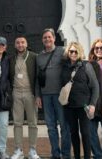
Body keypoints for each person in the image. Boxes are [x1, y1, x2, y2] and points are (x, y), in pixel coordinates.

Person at [35, 28, 71, 159]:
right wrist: (38, 95)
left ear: (54, 38)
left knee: (64, 126)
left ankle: (66, 154)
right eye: (44, 37)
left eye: (49, 37)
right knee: (51, 127)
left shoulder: (63, 51)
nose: (47, 39)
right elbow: (37, 79)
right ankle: (55, 154)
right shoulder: (39, 57)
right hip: (46, 96)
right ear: (42, 40)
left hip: (60, 96)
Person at [61, 41, 99, 159]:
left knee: (86, 133)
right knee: (73, 133)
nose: (73, 53)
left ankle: (87, 157)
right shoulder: (65, 66)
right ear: (68, 52)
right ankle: (77, 156)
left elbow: (95, 86)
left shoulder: (86, 66)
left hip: (84, 106)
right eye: (71, 51)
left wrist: (93, 104)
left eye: (76, 51)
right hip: (69, 106)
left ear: (80, 52)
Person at [9, 36, 40, 159]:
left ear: (26, 44)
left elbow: (37, 77)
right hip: (16, 93)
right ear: (15, 45)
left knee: (33, 123)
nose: (20, 45)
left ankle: (33, 150)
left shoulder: (34, 57)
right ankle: (18, 150)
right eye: (18, 43)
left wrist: (37, 95)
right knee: (17, 123)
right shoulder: (12, 58)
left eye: (22, 42)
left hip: (30, 93)